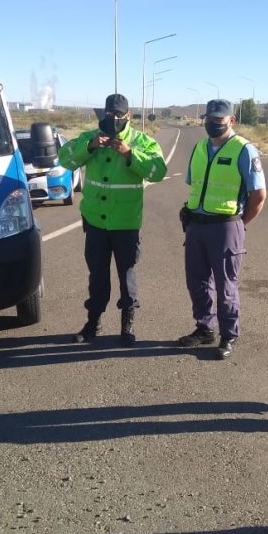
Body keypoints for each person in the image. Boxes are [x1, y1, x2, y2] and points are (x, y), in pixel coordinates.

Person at [58, 93, 167, 346]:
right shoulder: (90, 138)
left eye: (119, 115)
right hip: (96, 222)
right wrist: (90, 146)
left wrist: (130, 154)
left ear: (128, 115)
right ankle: (93, 322)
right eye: (110, 115)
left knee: (126, 275)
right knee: (97, 275)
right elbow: (65, 160)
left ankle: (127, 326)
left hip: (126, 223)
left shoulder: (141, 141)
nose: (114, 119)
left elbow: (159, 171)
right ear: (103, 114)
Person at [177, 99, 266, 360]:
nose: (213, 124)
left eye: (219, 120)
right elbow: (194, 184)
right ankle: (204, 328)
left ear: (232, 120)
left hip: (226, 227)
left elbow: (258, 196)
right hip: (196, 226)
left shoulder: (244, 150)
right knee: (197, 281)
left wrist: (239, 224)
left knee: (226, 286)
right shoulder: (199, 148)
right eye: (209, 119)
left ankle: (228, 335)